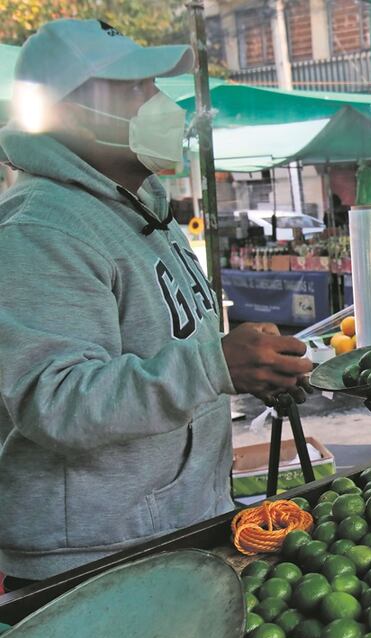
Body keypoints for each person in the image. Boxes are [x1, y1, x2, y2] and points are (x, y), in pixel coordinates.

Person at [0, 20, 313, 589]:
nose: (157, 104)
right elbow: (56, 400)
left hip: (171, 528)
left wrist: (242, 369)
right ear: (67, 112)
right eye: (133, 88)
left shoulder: (139, 210)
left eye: (153, 86)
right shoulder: (40, 230)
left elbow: (165, 351)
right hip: (93, 560)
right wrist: (212, 365)